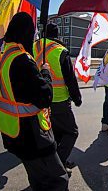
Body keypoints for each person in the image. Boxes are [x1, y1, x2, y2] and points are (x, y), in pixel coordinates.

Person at [0, 12, 68, 190]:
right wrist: (45, 73)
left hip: (13, 133)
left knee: (38, 180)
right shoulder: (22, 60)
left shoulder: (5, 56)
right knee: (58, 180)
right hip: (32, 136)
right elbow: (45, 98)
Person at [33, 23, 82, 173]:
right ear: (57, 35)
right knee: (71, 132)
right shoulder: (61, 51)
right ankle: (58, 166)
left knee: (55, 134)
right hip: (59, 101)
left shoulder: (34, 47)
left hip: (41, 100)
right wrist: (77, 98)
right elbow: (70, 80)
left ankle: (59, 161)